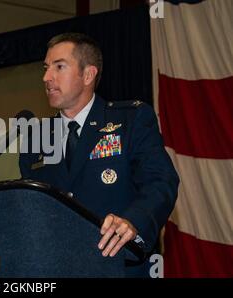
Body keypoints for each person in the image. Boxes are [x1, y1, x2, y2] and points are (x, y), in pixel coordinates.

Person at [19, 33, 179, 277]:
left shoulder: (130, 120)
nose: (46, 77)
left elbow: (161, 181)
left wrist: (133, 221)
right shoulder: (36, 138)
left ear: (88, 75)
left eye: (59, 66)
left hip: (118, 267)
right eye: (45, 68)